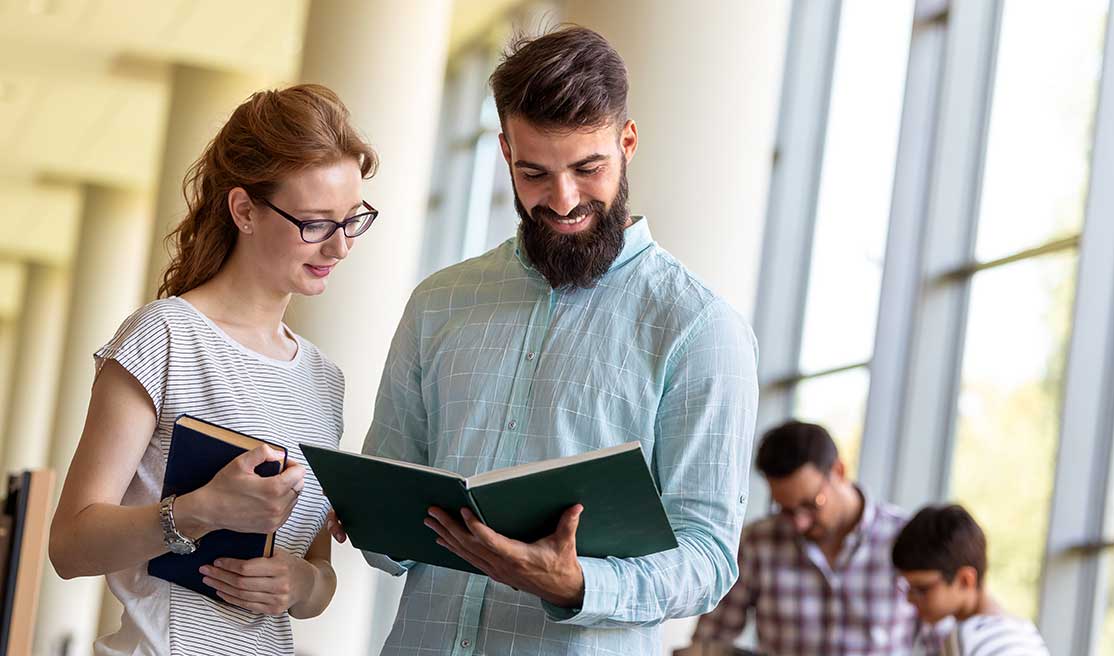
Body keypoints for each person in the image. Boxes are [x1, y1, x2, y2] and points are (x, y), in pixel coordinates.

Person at [330, 25, 759, 655]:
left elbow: (709, 556)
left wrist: (580, 583)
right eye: (534, 172)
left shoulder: (698, 328)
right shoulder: (439, 303)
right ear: (504, 152)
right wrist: (368, 518)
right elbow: (389, 526)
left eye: (589, 168)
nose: (562, 200)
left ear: (628, 142)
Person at [49, 84, 379, 656]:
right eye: (316, 223)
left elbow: (318, 572)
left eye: (353, 220)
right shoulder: (165, 336)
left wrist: (303, 585)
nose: (340, 248)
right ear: (245, 209)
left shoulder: (324, 381)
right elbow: (69, 545)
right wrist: (199, 512)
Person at [685, 420, 943, 655]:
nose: (800, 522)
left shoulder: (904, 538)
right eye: (786, 510)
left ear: (839, 470)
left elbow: (941, 641)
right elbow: (710, 640)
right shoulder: (757, 543)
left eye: (811, 504)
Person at [892, 504, 1050, 655]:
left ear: (965, 580)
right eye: (907, 587)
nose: (909, 599)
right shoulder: (1025, 631)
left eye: (921, 589)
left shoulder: (968, 639)